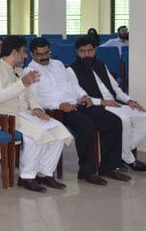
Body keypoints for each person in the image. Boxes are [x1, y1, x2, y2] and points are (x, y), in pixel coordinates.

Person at [26, 38, 128, 184]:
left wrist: (82, 95)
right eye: (39, 54)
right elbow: (35, 99)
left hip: (76, 104)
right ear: (32, 54)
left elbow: (71, 85)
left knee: (113, 122)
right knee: (87, 126)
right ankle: (87, 171)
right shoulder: (29, 72)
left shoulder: (58, 64)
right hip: (56, 110)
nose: (44, 57)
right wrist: (59, 104)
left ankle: (109, 167)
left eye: (46, 53)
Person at [0, 35, 73, 192]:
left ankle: (45, 173)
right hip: (3, 116)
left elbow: (31, 95)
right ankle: (26, 177)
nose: (25, 56)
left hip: (24, 113)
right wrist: (22, 83)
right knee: (35, 135)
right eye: (23, 52)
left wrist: (37, 108)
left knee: (58, 130)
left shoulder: (19, 70)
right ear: (14, 53)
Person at [68, 36, 146, 172]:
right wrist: (102, 102)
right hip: (98, 107)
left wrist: (129, 101)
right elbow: (77, 95)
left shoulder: (101, 65)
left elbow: (116, 89)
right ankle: (129, 159)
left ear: (95, 50)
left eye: (90, 50)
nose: (86, 54)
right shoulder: (71, 70)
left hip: (115, 104)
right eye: (82, 51)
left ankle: (121, 152)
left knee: (143, 117)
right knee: (124, 120)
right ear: (77, 52)